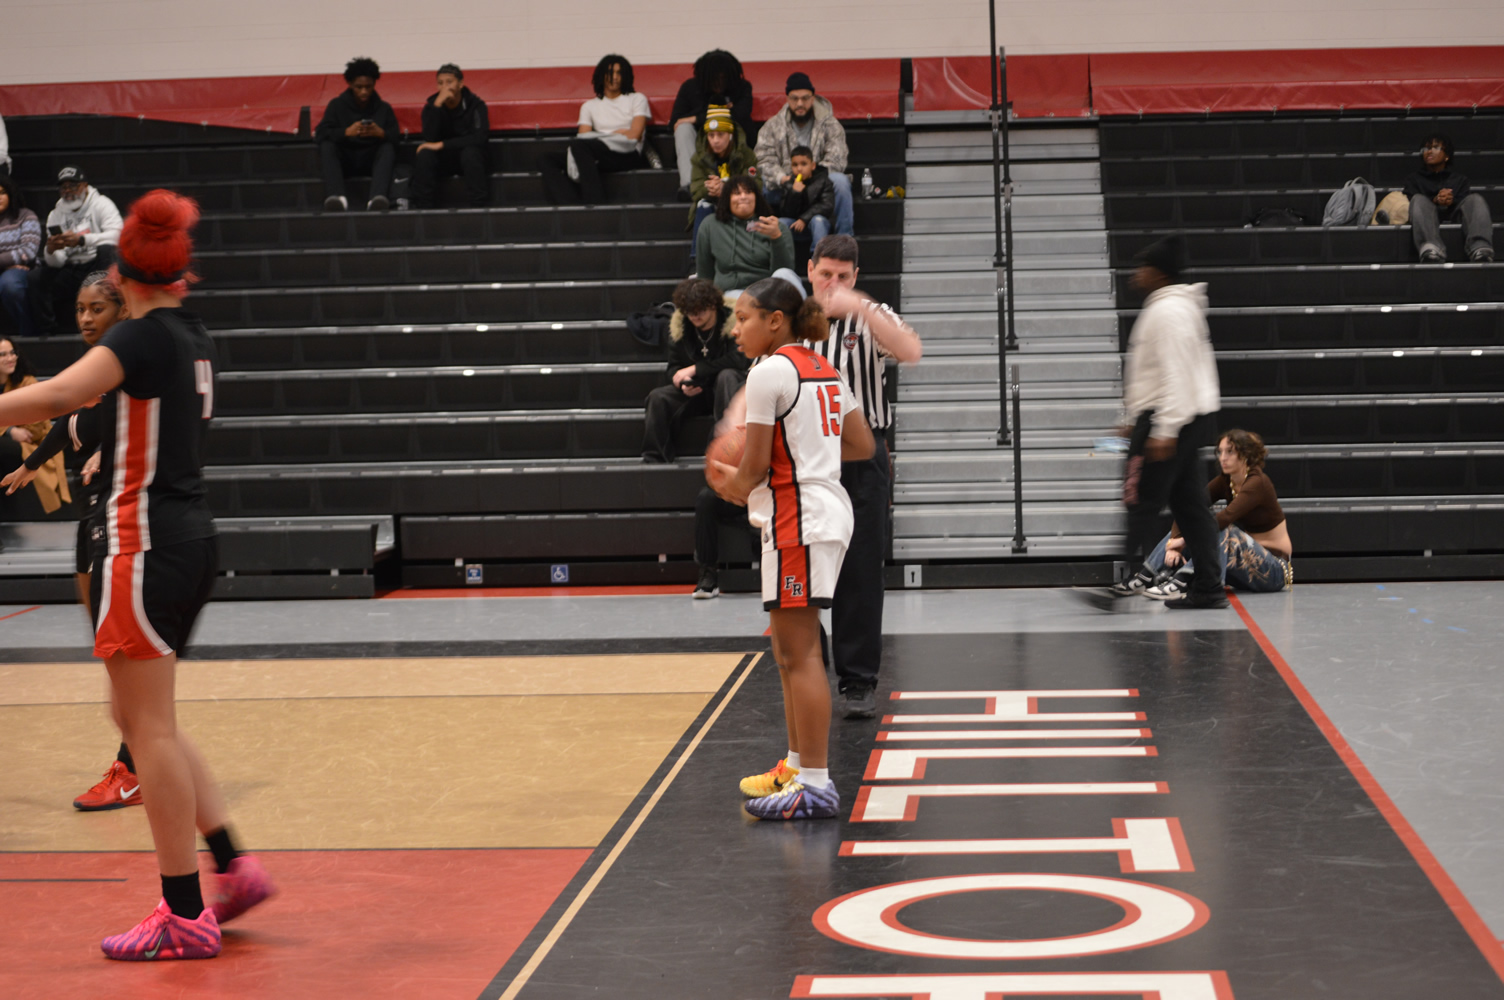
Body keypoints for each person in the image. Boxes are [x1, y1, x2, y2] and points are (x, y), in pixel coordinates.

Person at [0, 189, 275, 959]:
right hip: (190, 539)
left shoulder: (142, 336)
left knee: (146, 728)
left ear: (122, 274)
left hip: (141, 544)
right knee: (145, 721)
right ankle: (235, 865)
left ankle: (184, 914)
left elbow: (61, 393)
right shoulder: (192, 332)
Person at [710, 274, 874, 820]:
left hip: (798, 517)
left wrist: (729, 485)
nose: (736, 330)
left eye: (744, 319)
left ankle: (817, 786)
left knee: (800, 655)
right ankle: (798, 767)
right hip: (819, 509)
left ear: (775, 321)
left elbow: (754, 466)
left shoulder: (768, 372)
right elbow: (862, 443)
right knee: (787, 653)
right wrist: (811, 453)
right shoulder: (823, 366)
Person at [2, 271, 137, 810]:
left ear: (121, 310)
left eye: (96, 308)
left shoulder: (131, 365)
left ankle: (134, 762)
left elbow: (138, 424)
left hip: (126, 518)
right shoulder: (92, 369)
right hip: (92, 517)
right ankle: (136, 755)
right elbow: (66, 420)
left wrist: (110, 449)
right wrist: (32, 463)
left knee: (124, 653)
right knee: (106, 646)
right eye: (80, 308)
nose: (84, 318)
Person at [804, 235, 921, 717]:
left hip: (862, 452)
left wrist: (861, 305)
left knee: (861, 567)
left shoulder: (870, 315)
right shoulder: (789, 318)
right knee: (803, 565)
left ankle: (857, 680)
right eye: (826, 274)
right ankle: (808, 664)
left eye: (843, 276)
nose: (833, 284)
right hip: (805, 455)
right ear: (810, 270)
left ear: (856, 277)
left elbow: (910, 350)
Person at [1112, 235, 1225, 610]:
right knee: (1190, 506)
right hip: (1182, 416)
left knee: (1141, 499)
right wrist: (1134, 417)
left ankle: (1123, 577)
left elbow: (1177, 374)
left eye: (1143, 268)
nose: (1136, 275)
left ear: (1159, 273)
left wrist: (1164, 430)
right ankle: (1209, 586)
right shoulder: (1173, 307)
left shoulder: (1169, 311)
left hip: (1170, 417)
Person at [1123, 428, 1294, 600]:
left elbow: (1226, 517)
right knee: (1193, 520)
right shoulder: (1226, 480)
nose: (1223, 458)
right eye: (1220, 452)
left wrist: (1183, 540)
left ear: (1246, 454)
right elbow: (1189, 508)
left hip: (1275, 570)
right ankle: (1145, 577)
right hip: (1244, 568)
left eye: (1230, 452)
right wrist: (1174, 540)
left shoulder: (1258, 482)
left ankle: (1183, 581)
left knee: (1222, 528)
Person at [642, 278, 747, 465]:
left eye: (701, 310)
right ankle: (655, 460)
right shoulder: (680, 328)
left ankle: (727, 453)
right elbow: (673, 368)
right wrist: (683, 384)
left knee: (727, 376)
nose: (695, 316)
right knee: (657, 397)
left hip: (727, 390)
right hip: (697, 391)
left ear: (713, 305)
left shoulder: (732, 323)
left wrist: (697, 368)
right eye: (690, 312)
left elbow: (740, 360)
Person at [540, 55, 650, 206]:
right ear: (601, 76)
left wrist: (600, 137)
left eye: (619, 73)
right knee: (546, 159)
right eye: (610, 73)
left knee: (581, 147)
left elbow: (634, 135)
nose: (615, 77)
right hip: (599, 152)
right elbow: (583, 136)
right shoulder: (589, 106)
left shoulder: (637, 99)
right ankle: (571, 205)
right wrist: (618, 133)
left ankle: (596, 203)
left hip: (627, 153)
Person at [755, 73, 853, 237]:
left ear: (813, 98)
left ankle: (845, 239)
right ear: (787, 99)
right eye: (794, 98)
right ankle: (759, 239)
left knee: (841, 182)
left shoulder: (830, 124)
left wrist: (811, 179)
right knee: (760, 182)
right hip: (786, 185)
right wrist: (784, 178)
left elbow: (837, 159)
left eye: (805, 98)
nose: (800, 103)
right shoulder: (772, 126)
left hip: (819, 185)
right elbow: (763, 159)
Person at [30, 167, 122, 338]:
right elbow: (56, 262)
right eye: (63, 187)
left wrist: (82, 240)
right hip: (72, 268)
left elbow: (118, 236)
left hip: (96, 264)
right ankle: (47, 331)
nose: (68, 191)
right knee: (36, 277)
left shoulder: (102, 204)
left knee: (107, 250)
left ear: (84, 186)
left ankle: (113, 322)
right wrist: (51, 250)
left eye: (73, 186)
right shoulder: (55, 214)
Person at [314, 56, 400, 212]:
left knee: (387, 147)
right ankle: (337, 198)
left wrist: (381, 133)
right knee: (327, 146)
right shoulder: (336, 105)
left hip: (371, 161)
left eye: (368, 86)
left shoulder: (384, 108)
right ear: (350, 84)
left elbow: (396, 137)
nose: (364, 91)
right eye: (359, 87)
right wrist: (346, 132)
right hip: (345, 160)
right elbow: (320, 134)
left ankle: (377, 199)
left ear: (374, 84)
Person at [0, 337, 71, 524]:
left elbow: (34, 430)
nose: (10, 358)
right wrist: (10, 431)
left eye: (12, 353)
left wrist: (9, 431)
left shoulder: (28, 382)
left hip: (30, 446)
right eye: (3, 354)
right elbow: (17, 428)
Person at [670, 50, 755, 196]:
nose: (719, 83)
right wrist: (720, 110)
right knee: (683, 128)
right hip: (701, 147)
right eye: (714, 78)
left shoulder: (742, 87)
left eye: (723, 78)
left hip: (732, 147)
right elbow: (675, 122)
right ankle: (690, 184)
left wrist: (697, 118)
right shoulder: (690, 88)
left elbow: (741, 115)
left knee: (737, 125)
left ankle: (734, 183)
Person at [1405, 133, 1495, 263]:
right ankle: (1431, 248)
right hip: (1426, 219)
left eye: (1435, 147)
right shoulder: (1413, 179)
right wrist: (1435, 200)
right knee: (1418, 199)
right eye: (1426, 148)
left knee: (1475, 199)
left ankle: (1480, 248)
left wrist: (1451, 201)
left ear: (1447, 156)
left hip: (1454, 214)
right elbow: (1411, 203)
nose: (1429, 151)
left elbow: (1465, 203)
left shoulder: (1460, 180)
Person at [695, 176, 793, 293]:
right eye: (737, 193)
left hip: (769, 293)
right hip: (732, 292)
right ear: (727, 199)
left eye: (748, 192)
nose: (743, 197)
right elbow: (705, 274)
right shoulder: (710, 225)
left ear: (756, 197)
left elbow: (785, 274)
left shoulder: (776, 227)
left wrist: (776, 237)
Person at [414, 64, 490, 209]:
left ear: (460, 84)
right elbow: (429, 137)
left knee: (471, 153)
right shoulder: (431, 106)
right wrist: (437, 106)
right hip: (443, 159)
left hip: (469, 158)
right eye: (440, 83)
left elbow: (479, 138)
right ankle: (424, 208)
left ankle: (478, 206)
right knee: (425, 155)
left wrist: (442, 144)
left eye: (449, 82)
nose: (445, 87)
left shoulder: (476, 105)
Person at [687, 107, 759, 262]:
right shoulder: (699, 158)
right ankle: (697, 261)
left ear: (730, 134)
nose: (715, 140)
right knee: (703, 205)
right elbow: (696, 189)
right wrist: (711, 188)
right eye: (711, 135)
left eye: (720, 134)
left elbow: (756, 185)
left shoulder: (746, 155)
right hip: (714, 203)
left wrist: (726, 188)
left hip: (741, 203)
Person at [0, 174, 42, 339]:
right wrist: (7, 263)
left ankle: (28, 333)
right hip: (10, 266)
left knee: (10, 285)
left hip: (22, 271)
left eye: (2, 192)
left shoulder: (25, 216)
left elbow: (28, 251)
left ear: (11, 194)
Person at [774, 146, 835, 247]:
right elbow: (785, 213)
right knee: (780, 223)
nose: (799, 169)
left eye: (804, 164)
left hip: (818, 225)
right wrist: (794, 193)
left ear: (813, 165)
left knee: (818, 220)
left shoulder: (824, 181)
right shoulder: (789, 184)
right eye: (795, 165)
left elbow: (826, 206)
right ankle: (783, 255)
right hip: (796, 225)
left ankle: (818, 255)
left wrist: (804, 219)